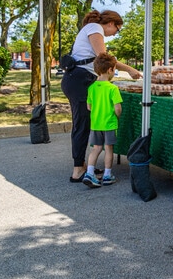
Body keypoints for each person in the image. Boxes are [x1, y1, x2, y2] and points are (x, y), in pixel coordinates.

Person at [61, 10, 142, 183]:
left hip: (78, 79)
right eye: (117, 30)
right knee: (82, 125)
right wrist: (129, 69)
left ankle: (83, 166)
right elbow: (103, 58)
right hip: (80, 80)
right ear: (112, 23)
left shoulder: (92, 28)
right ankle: (77, 170)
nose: (115, 34)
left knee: (83, 123)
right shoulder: (94, 28)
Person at [82, 52, 122, 188]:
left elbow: (89, 107)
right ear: (110, 70)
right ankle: (107, 175)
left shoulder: (92, 87)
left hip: (95, 124)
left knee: (96, 149)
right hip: (109, 123)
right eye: (114, 69)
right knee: (108, 149)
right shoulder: (113, 88)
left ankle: (89, 173)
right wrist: (118, 116)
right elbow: (118, 108)